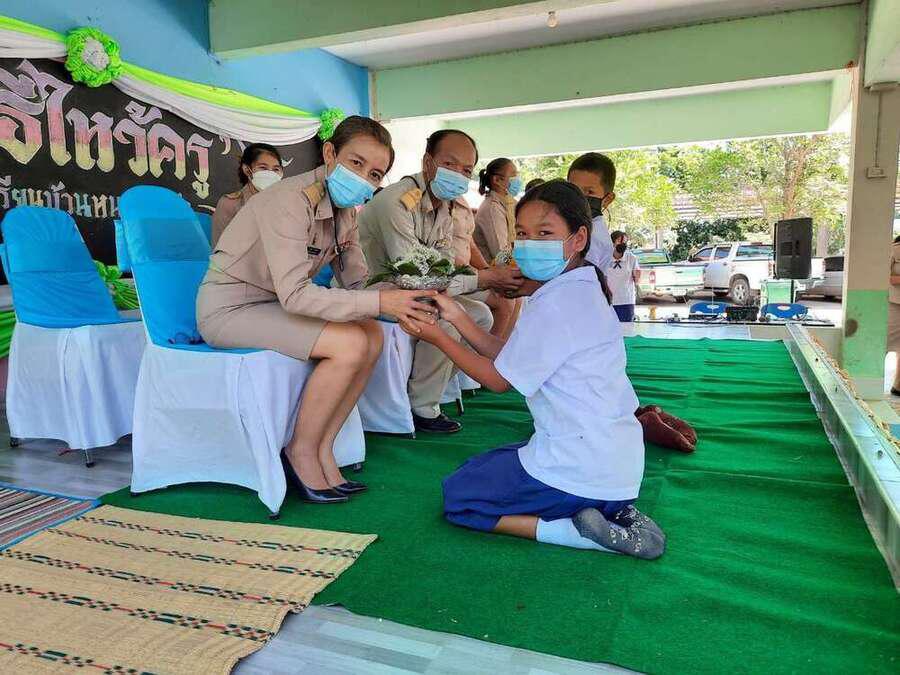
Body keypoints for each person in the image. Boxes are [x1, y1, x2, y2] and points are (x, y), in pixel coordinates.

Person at [401, 180, 664, 560]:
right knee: (486, 463)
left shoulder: (555, 304)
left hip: (582, 465)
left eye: (544, 233)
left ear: (578, 239)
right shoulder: (581, 287)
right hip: (614, 461)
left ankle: (575, 532)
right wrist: (455, 315)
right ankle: (611, 509)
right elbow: (512, 357)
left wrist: (436, 336)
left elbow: (497, 379)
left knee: (460, 496)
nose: (529, 244)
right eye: (522, 234)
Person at [197, 116, 437, 503]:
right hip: (230, 309)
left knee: (372, 333)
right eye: (355, 163)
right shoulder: (288, 200)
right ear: (329, 153)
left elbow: (357, 283)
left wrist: (406, 296)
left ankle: (324, 447)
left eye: (375, 174)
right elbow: (296, 295)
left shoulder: (345, 210)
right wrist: (380, 302)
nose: (363, 178)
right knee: (350, 344)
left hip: (272, 306)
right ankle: (301, 451)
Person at [357, 129, 524, 434]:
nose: (458, 174)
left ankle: (429, 385)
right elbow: (411, 274)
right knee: (446, 321)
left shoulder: (444, 206)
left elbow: (443, 265)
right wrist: (486, 278)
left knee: (479, 315)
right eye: (450, 164)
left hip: (419, 288)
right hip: (378, 291)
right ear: (428, 162)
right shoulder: (397, 202)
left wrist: (481, 280)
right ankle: (422, 406)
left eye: (466, 170)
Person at [211, 143, 284, 246]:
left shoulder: (286, 203)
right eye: (263, 168)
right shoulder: (229, 204)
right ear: (247, 170)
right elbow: (220, 247)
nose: (270, 173)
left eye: (276, 169)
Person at [474, 157, 520, 263]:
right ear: (497, 180)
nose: (517, 179)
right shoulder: (492, 209)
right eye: (513, 175)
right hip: (494, 269)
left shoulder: (509, 203)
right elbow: (501, 254)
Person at [606, 230, 641, 322]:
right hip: (608, 302)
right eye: (619, 241)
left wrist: (637, 276)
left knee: (627, 327)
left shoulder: (631, 258)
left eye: (625, 242)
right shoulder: (605, 257)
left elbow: (637, 278)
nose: (622, 244)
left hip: (626, 301)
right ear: (612, 242)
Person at [889, 235, 900, 396]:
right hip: (894, 303)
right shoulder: (894, 250)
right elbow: (888, 278)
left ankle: (898, 386)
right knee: (885, 343)